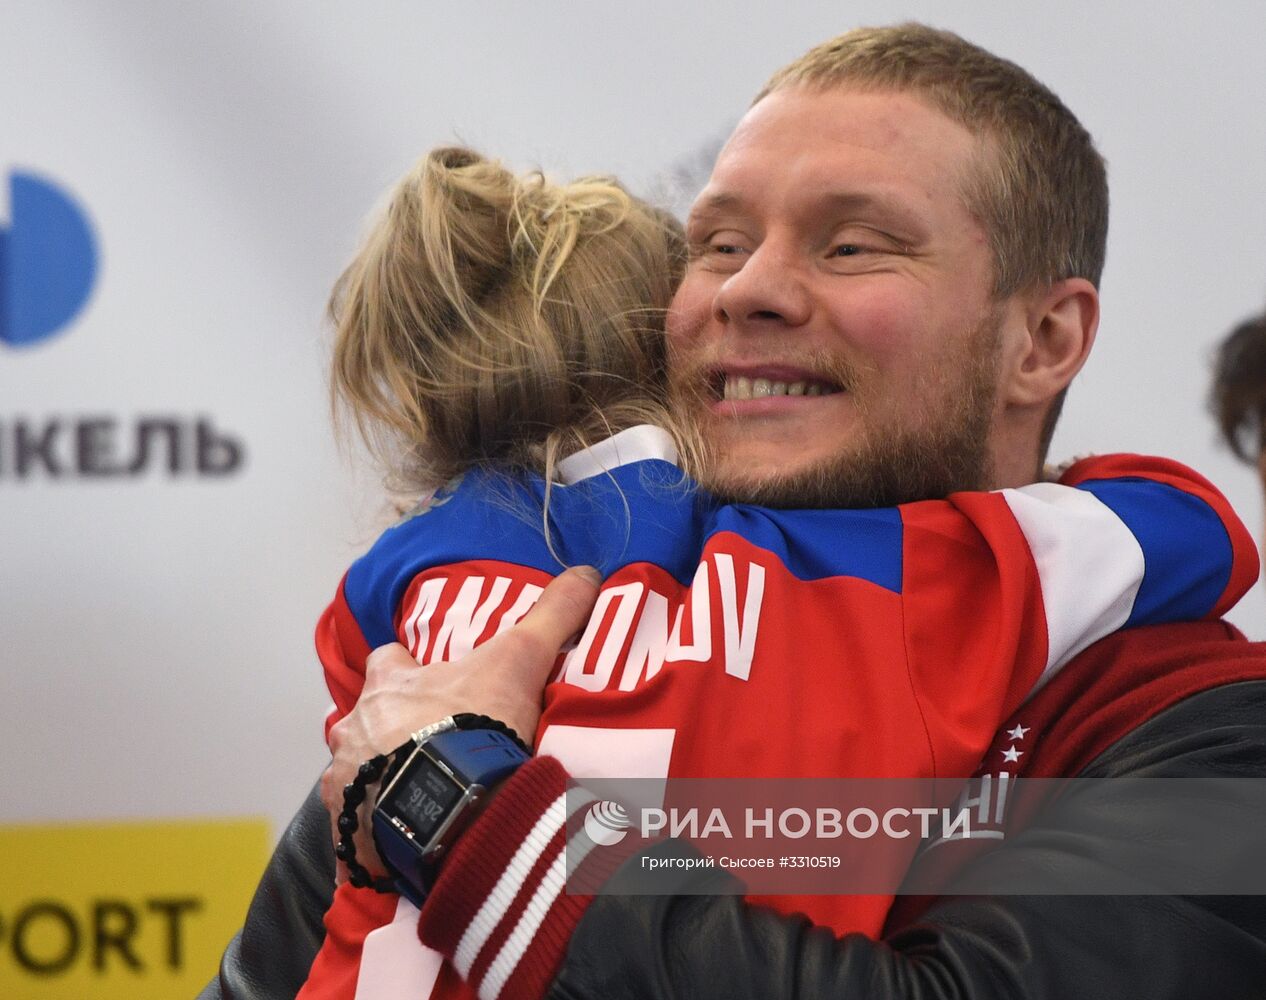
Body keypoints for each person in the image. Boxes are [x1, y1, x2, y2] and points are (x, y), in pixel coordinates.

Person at [201, 22, 1266, 1000]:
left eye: (851, 245)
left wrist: (465, 810)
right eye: (716, 242)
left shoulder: (1199, 721)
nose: (745, 289)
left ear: (1041, 342)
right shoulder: (524, 622)